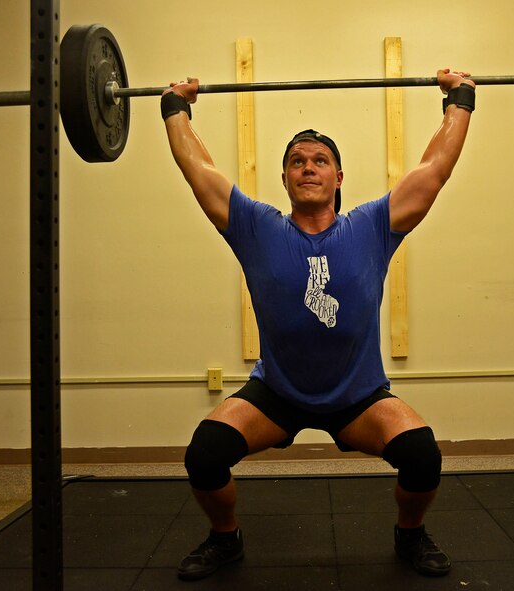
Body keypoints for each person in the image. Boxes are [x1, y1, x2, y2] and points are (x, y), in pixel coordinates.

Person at [161, 69, 475, 581]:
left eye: (320, 160)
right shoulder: (255, 227)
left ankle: (411, 534)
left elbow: (434, 169)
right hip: (277, 393)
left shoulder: (374, 226)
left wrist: (459, 99)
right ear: (285, 178)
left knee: (422, 455)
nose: (308, 167)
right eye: (297, 162)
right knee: (204, 454)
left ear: (338, 177)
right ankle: (225, 538)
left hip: (358, 396)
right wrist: (176, 108)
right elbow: (198, 170)